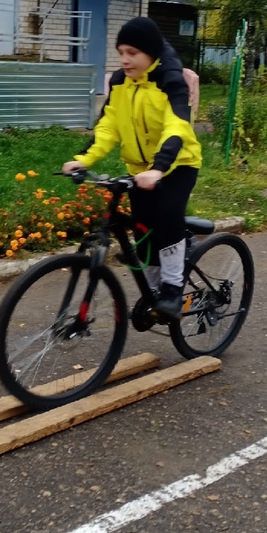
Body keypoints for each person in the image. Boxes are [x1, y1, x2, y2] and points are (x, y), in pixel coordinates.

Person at [62, 17, 202, 318]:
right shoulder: (120, 82)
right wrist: (84, 159)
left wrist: (159, 168)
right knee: (143, 230)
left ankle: (172, 290)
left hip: (177, 164)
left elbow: (177, 127)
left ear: (150, 53)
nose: (124, 60)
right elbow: (108, 126)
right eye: (121, 52)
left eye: (132, 53)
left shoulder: (170, 81)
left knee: (167, 217)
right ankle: (153, 292)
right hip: (141, 170)